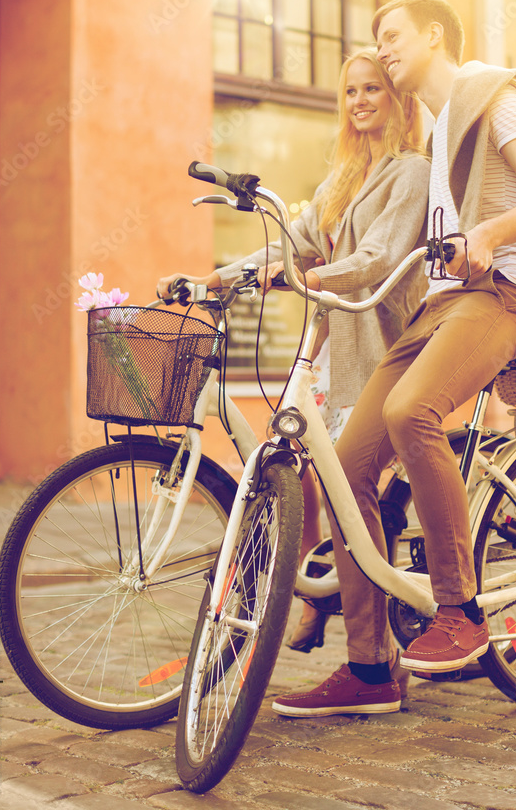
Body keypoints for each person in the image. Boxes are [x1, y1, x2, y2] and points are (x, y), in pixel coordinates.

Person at [272, 0, 516, 717]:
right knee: (346, 468)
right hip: (447, 304)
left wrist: (489, 236)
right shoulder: (442, 132)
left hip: (511, 294)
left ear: (436, 35)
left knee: (414, 411)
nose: (381, 48)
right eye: (377, 39)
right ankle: (369, 668)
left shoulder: (492, 93)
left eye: (392, 35)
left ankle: (461, 609)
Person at [157, 46, 430, 654]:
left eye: (373, 89)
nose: (360, 101)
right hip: (332, 350)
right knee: (314, 475)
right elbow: (293, 242)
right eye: (351, 91)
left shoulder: (410, 171)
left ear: (398, 98)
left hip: (383, 348)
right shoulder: (341, 177)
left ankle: (390, 630)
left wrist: (310, 279)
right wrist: (216, 278)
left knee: (353, 488)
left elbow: (377, 260)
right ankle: (321, 595)